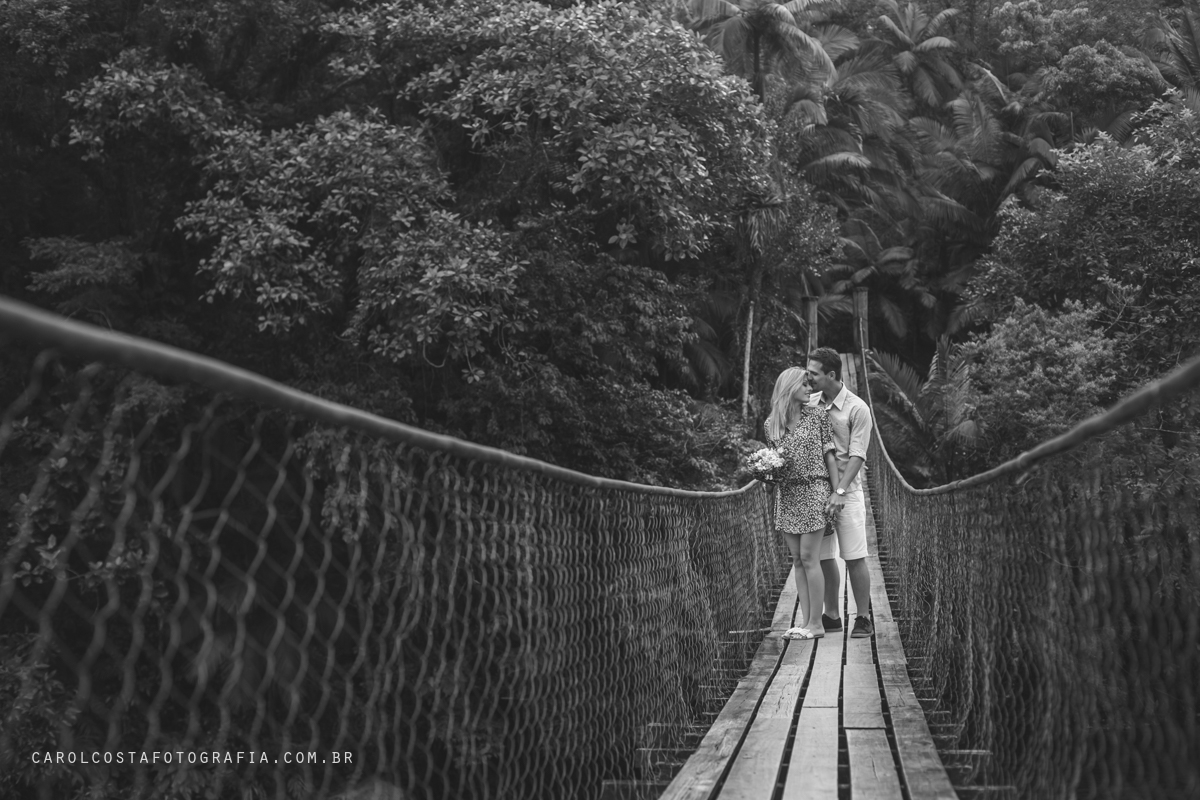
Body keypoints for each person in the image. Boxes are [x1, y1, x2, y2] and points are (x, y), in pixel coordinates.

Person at [764, 367, 840, 640]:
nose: (811, 389)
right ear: (790, 388)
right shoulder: (771, 424)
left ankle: (817, 624)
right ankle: (806, 622)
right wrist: (765, 474)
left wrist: (836, 492)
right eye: (805, 385)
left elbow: (829, 456)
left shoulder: (818, 416)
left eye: (810, 384)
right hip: (787, 495)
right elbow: (776, 464)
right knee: (797, 560)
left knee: (810, 558)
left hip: (814, 490)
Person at [806, 347, 875, 639]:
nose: (807, 378)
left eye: (813, 373)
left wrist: (840, 490)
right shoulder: (808, 404)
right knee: (822, 557)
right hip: (815, 493)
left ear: (831, 375)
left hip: (848, 493)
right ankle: (832, 615)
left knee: (854, 556)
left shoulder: (858, 408)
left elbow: (858, 455)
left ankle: (862, 617)